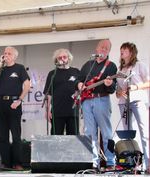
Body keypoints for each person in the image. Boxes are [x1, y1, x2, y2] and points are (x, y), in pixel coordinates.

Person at [76, 39, 117, 170]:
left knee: (106, 132)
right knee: (89, 132)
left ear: (109, 51)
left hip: (102, 100)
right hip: (87, 102)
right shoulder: (88, 64)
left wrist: (110, 84)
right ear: (96, 49)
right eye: (102, 47)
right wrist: (79, 84)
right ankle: (92, 162)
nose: (103, 49)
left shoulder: (111, 66)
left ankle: (110, 161)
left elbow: (113, 88)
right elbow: (79, 79)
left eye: (106, 48)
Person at [0, 46, 30, 170]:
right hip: (2, 103)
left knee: (16, 135)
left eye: (9, 53)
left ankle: (17, 163)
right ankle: (6, 163)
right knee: (3, 136)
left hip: (14, 103)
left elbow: (27, 85)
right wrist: (0, 62)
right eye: (5, 53)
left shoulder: (20, 68)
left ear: (14, 56)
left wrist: (19, 100)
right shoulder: (1, 69)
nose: (6, 55)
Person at [116, 42, 150, 172]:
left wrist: (135, 87)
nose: (122, 51)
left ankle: (148, 164)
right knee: (128, 133)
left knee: (143, 131)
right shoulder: (119, 70)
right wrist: (119, 92)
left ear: (131, 52)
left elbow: (148, 82)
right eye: (121, 49)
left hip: (137, 100)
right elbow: (117, 92)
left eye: (124, 49)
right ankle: (133, 163)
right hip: (123, 103)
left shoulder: (140, 65)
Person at [43, 48, 80, 135]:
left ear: (69, 58)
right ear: (56, 60)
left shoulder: (76, 71)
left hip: (73, 111)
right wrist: (47, 110)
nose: (62, 59)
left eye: (64, 57)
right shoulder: (52, 74)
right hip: (57, 111)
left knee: (73, 138)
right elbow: (48, 94)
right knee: (56, 138)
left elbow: (81, 90)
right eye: (60, 58)